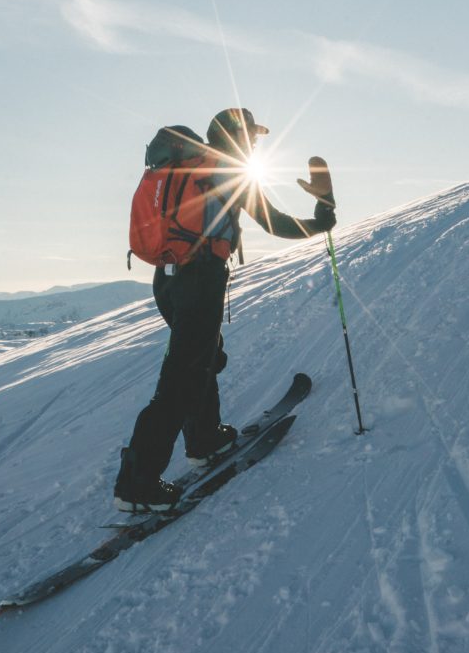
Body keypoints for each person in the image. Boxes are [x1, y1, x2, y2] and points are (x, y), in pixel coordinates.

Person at [114, 107, 336, 512]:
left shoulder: (188, 169)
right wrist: (322, 220)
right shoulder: (227, 169)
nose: (254, 144)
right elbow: (275, 222)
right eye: (251, 136)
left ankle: (205, 439)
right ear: (235, 136)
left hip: (168, 279)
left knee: (202, 358)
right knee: (180, 380)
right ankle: (136, 485)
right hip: (200, 278)